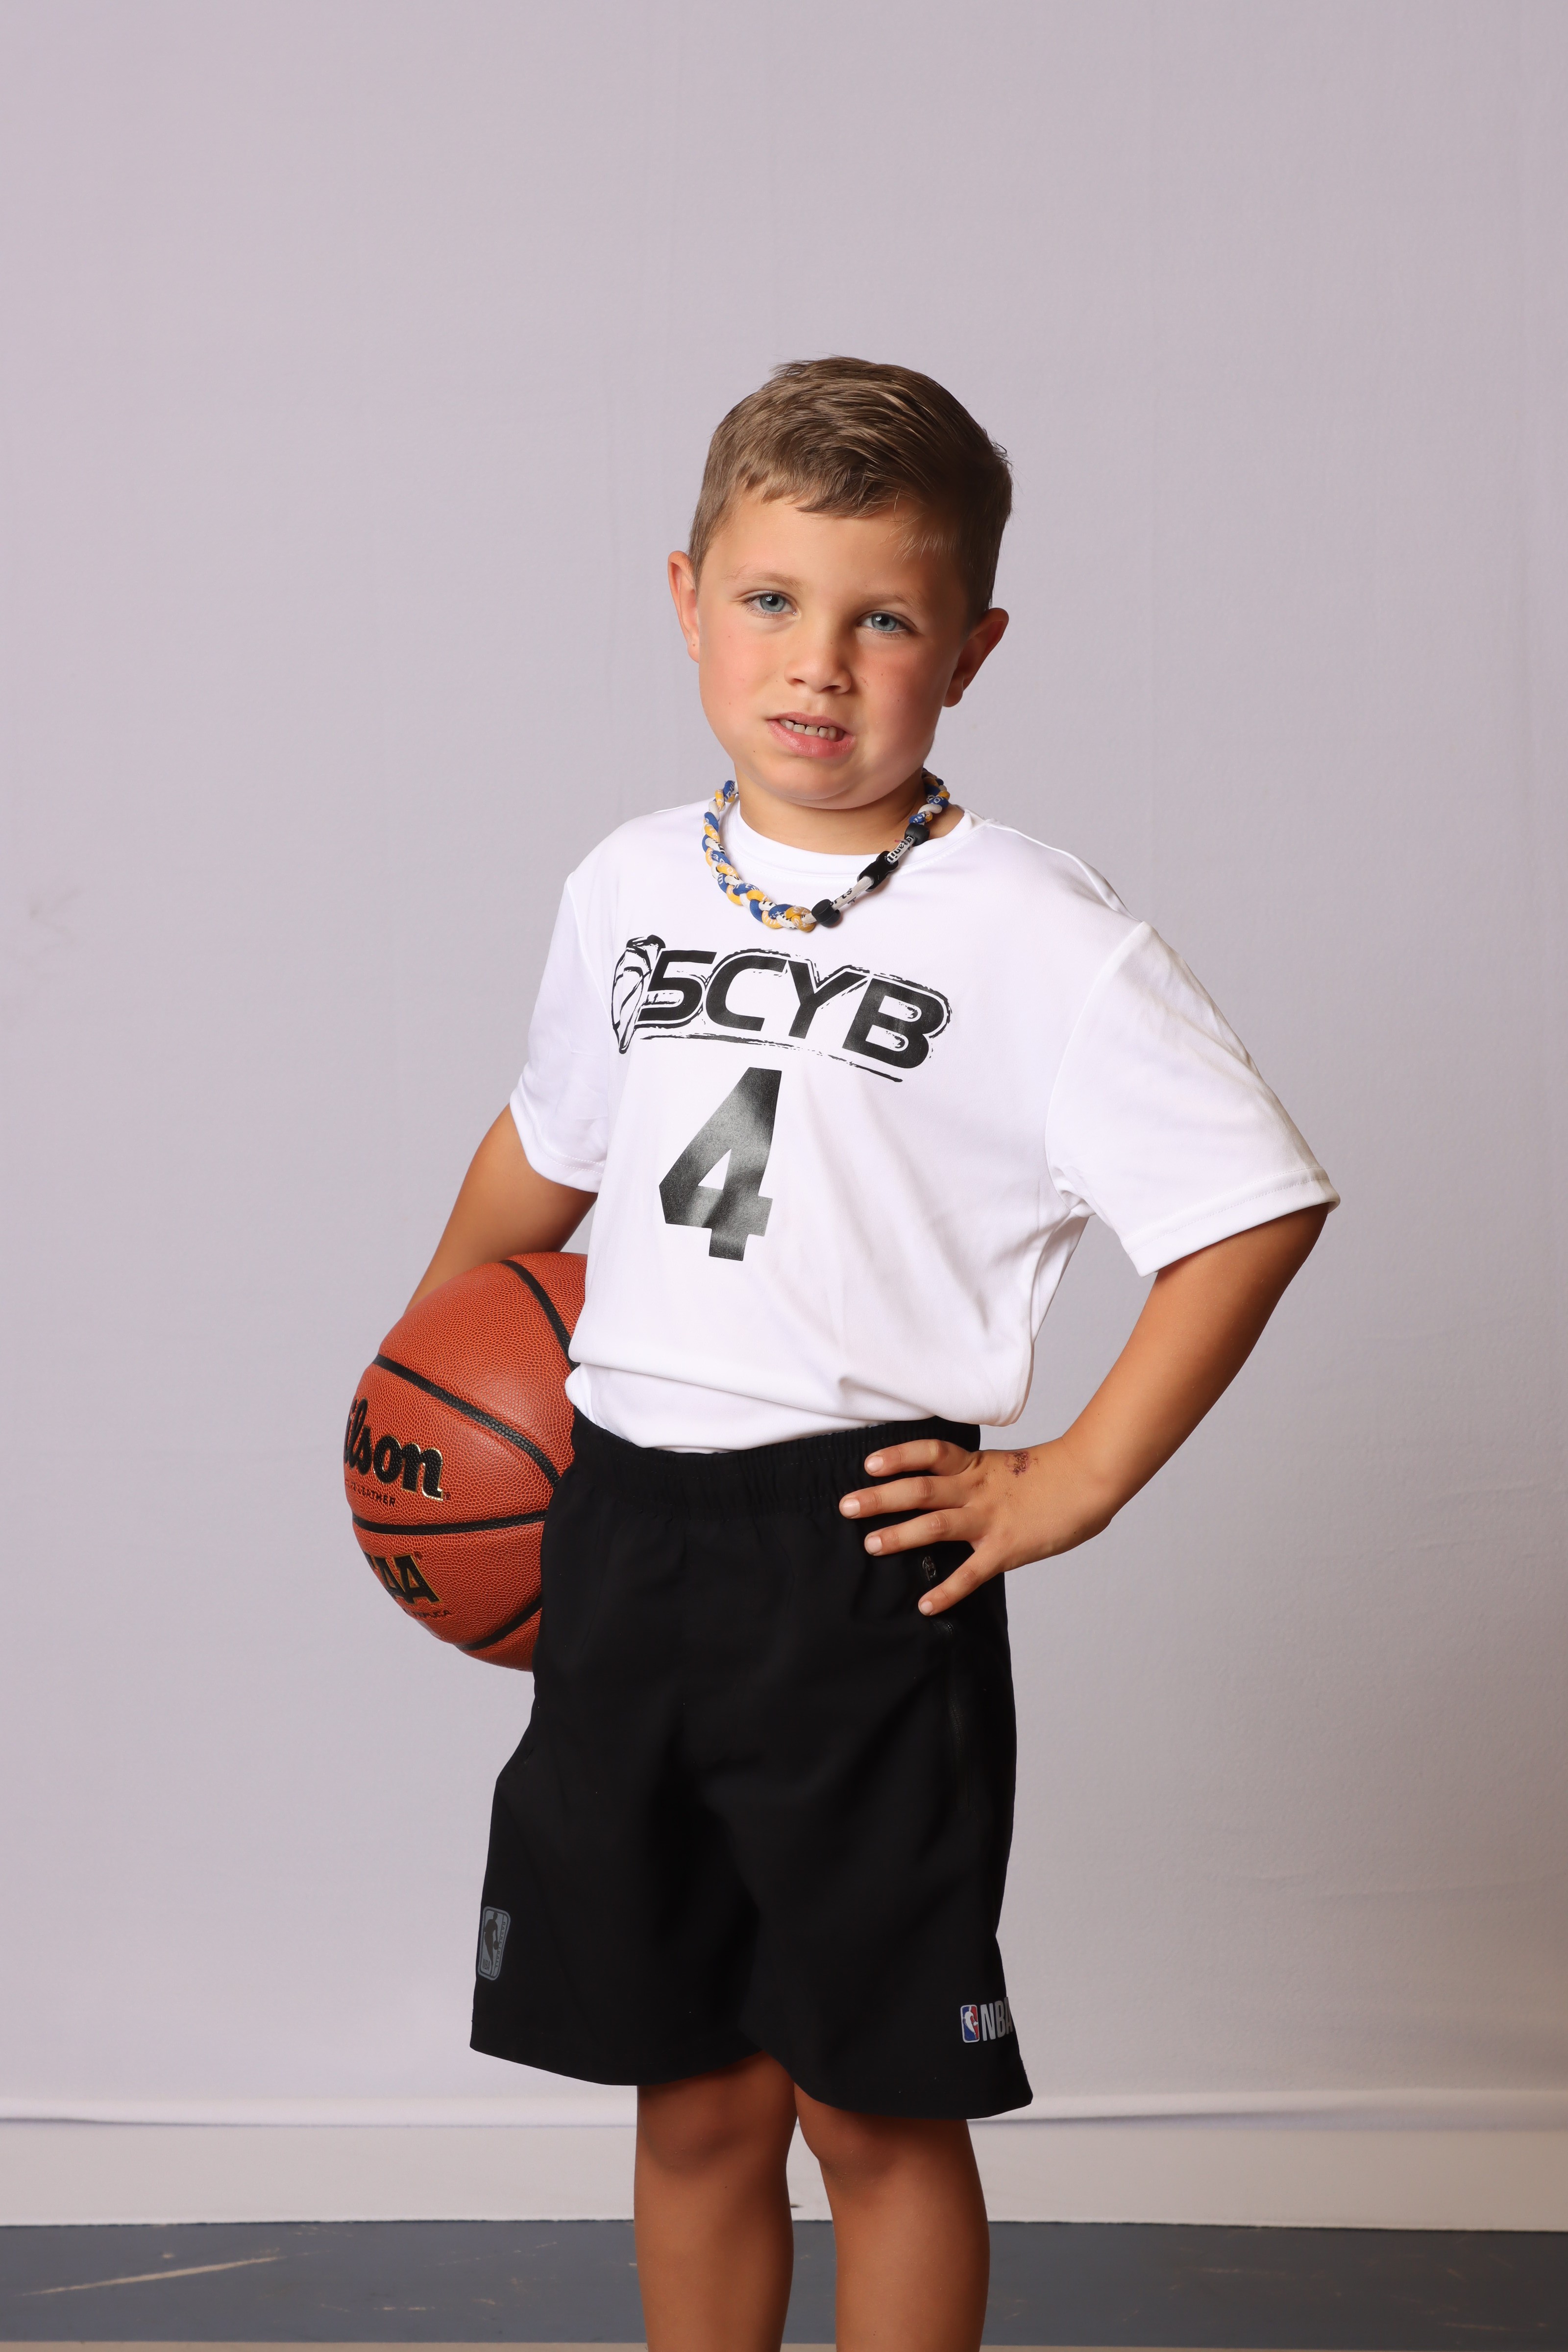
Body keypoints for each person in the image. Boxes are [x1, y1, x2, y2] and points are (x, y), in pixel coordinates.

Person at [409, 357, 1338, 2352]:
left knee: (871, 2105)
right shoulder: (625, 883)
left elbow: (1249, 1205)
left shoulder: (1032, 927)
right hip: (616, 1525)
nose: (815, 663)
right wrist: (421, 1379)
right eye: (768, 599)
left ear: (971, 648)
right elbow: (548, 1151)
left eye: (883, 618)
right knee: (691, 2094)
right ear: (686, 601)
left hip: (852, 1555)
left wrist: (1075, 1474)